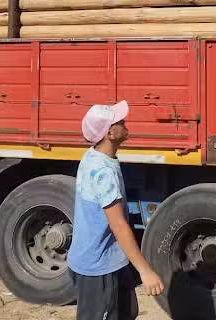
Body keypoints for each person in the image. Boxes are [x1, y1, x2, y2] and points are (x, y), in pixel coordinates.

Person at [68, 100, 165, 320]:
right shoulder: (103, 173)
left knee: (127, 313)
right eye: (119, 121)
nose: (125, 121)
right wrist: (145, 270)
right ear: (111, 133)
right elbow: (118, 225)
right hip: (99, 268)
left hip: (109, 260)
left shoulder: (93, 156)